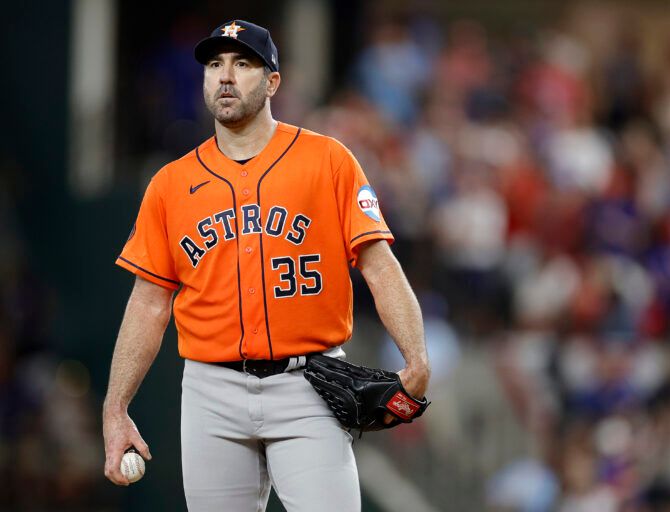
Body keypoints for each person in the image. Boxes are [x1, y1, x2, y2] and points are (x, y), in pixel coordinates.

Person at [102, 20, 430, 512]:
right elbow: (149, 304)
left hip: (309, 386)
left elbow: (380, 268)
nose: (226, 77)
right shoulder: (170, 185)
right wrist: (115, 407)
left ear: (273, 82)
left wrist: (417, 358)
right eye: (215, 65)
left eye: (243, 64)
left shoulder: (328, 161)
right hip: (210, 392)